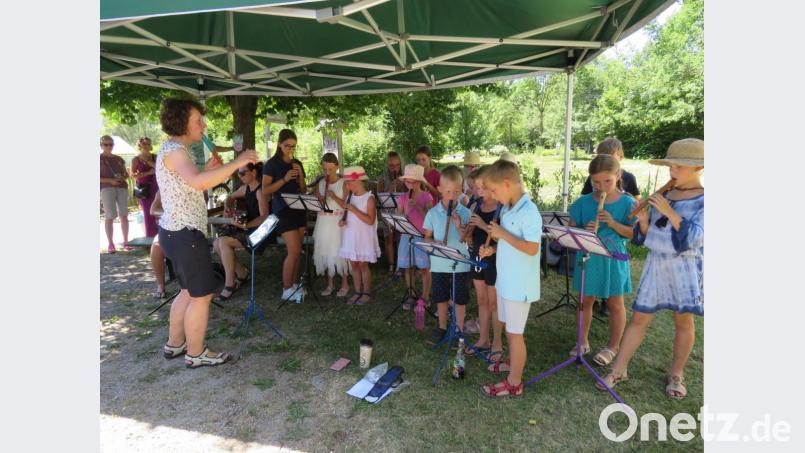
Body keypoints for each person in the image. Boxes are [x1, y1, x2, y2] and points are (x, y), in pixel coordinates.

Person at [597, 138, 704, 400]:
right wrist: (644, 221)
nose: (672, 172)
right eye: (671, 166)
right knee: (639, 318)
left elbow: (696, 238)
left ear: (698, 168)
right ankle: (619, 369)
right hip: (657, 264)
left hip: (686, 268)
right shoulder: (666, 193)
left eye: (678, 167)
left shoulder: (705, 200)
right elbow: (646, 236)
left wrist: (670, 211)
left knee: (683, 320)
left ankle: (676, 373)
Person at [156, 98, 257, 368]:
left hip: (175, 233)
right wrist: (238, 162)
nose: (204, 125)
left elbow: (193, 181)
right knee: (201, 296)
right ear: (181, 122)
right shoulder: (176, 151)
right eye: (198, 120)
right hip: (185, 234)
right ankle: (196, 352)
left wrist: (209, 171)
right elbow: (198, 182)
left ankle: (175, 344)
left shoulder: (175, 150)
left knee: (188, 291)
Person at [478, 159, 542, 398]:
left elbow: (532, 248)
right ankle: (512, 362)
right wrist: (493, 249)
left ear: (507, 183)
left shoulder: (529, 211)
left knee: (516, 334)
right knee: (509, 331)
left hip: (519, 284)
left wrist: (501, 233)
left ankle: (514, 382)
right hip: (505, 280)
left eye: (494, 191)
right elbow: (508, 243)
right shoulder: (507, 208)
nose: (493, 196)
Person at [567, 154, 636, 366]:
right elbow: (570, 230)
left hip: (613, 258)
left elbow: (634, 234)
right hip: (589, 257)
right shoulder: (583, 202)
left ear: (618, 176)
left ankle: (613, 347)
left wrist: (613, 224)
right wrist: (583, 230)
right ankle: (582, 341)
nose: (601, 186)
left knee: (615, 303)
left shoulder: (628, 202)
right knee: (585, 300)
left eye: (607, 181)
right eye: (596, 182)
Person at [422, 165, 472, 346]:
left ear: (461, 191)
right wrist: (435, 243)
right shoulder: (433, 213)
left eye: (456, 192)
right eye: (448, 191)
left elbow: (468, 240)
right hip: (439, 265)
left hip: (460, 265)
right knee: (441, 298)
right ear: (440, 190)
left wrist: (459, 225)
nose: (452, 196)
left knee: (460, 299)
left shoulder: (466, 213)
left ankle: (459, 329)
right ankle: (442, 327)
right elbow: (426, 238)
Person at [212, 162, 269, 301]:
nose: (240, 176)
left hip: (260, 232)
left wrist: (246, 225)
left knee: (224, 242)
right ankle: (242, 274)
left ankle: (229, 284)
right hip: (247, 228)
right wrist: (227, 207)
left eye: (243, 173)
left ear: (253, 173)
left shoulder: (260, 192)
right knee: (216, 243)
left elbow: (264, 217)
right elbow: (230, 197)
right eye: (239, 173)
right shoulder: (245, 189)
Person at [262, 129, 307, 302]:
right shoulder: (271, 164)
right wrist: (285, 179)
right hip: (282, 210)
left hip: (299, 209)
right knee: (293, 251)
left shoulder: (296, 163)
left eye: (293, 146)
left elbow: (303, 190)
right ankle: (286, 289)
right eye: (287, 145)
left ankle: (294, 285)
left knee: (298, 251)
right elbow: (265, 190)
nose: (290, 149)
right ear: (279, 144)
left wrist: (300, 175)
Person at [464, 166, 504, 361]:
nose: (477, 192)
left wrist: (481, 224)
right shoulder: (479, 206)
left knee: (493, 302)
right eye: (476, 188)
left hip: (494, 258)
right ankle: (483, 339)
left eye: (481, 188)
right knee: (481, 300)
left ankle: (497, 342)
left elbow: (503, 239)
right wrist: (468, 231)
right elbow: (471, 238)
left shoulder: (501, 208)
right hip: (478, 255)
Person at [334, 166, 381, 305]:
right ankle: (357, 291)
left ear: (359, 181)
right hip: (351, 235)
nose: (347, 186)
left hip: (364, 236)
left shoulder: (369, 198)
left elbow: (370, 220)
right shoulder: (350, 196)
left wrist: (354, 210)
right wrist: (343, 220)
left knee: (363, 265)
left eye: (349, 183)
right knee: (353, 264)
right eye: (346, 183)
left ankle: (366, 292)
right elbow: (347, 212)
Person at [312, 153, 351, 297]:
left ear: (337, 167)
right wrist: (320, 199)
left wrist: (334, 196)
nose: (327, 173)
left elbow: (347, 205)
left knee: (339, 251)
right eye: (324, 170)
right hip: (323, 221)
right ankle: (330, 284)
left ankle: (345, 283)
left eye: (330, 170)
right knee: (326, 251)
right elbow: (318, 205)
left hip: (337, 222)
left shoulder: (344, 183)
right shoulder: (321, 183)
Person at [396, 164, 433, 309]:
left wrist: (417, 206)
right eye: (408, 182)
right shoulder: (403, 198)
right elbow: (399, 216)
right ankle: (411, 294)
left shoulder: (426, 196)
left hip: (421, 236)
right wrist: (401, 216)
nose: (410, 185)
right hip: (406, 236)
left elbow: (430, 218)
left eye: (414, 182)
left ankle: (425, 296)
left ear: (420, 182)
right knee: (408, 267)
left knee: (424, 268)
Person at [99, 135, 130, 253]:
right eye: (105, 144)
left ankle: (126, 242)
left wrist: (122, 177)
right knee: (110, 216)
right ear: (101, 145)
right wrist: (110, 180)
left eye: (111, 144)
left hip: (122, 187)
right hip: (107, 188)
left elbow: (126, 174)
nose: (108, 147)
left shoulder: (119, 159)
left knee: (124, 215)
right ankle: (111, 244)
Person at [376, 151, 406, 274]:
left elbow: (409, 195)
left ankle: (400, 264)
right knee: (389, 238)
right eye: (391, 166)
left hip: (400, 210)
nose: (394, 168)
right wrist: (391, 186)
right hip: (387, 211)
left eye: (397, 165)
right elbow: (379, 196)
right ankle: (391, 265)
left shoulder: (404, 177)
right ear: (387, 165)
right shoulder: (382, 178)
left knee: (399, 237)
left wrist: (402, 186)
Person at [131, 137, 160, 237]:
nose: (147, 146)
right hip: (144, 189)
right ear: (139, 145)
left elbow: (160, 169)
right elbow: (133, 175)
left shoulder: (155, 156)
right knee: (148, 214)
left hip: (156, 187)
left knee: (158, 212)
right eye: (144, 144)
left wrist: (149, 163)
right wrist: (147, 173)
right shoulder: (136, 159)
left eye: (148, 143)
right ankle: (150, 237)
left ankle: (160, 237)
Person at [149, 190, 167, 298]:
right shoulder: (162, 190)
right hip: (167, 228)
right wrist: (170, 214)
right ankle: (161, 284)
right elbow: (153, 210)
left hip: (189, 229)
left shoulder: (193, 182)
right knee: (156, 246)